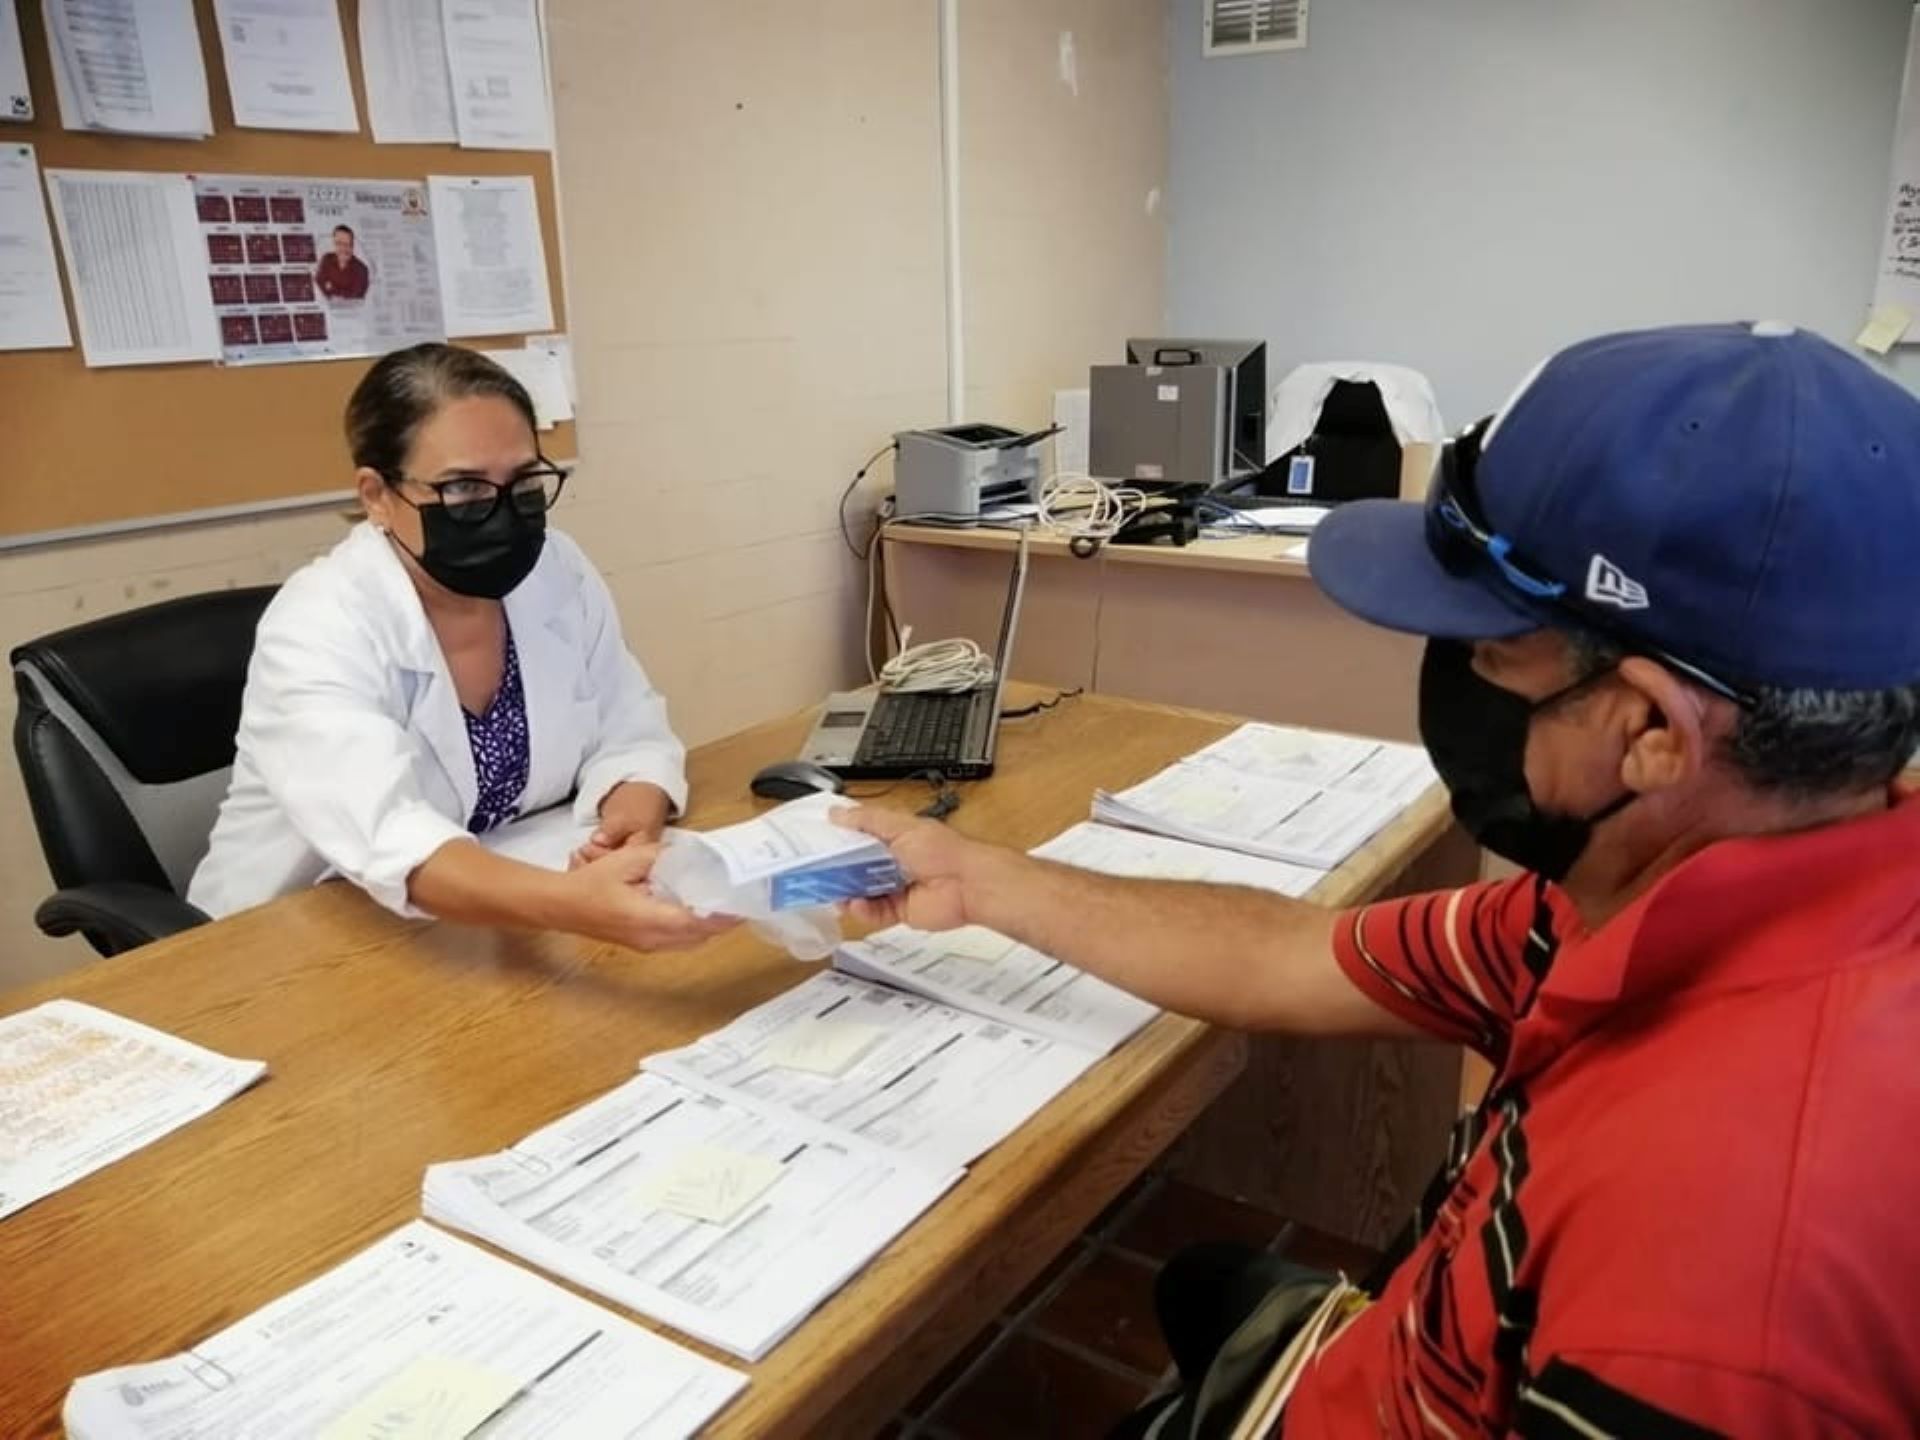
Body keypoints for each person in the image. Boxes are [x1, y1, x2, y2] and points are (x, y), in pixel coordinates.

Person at [840, 323, 1920, 1434]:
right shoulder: (1660, 896)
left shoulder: (1725, 1295)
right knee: (1202, 1284)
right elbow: (1297, 954)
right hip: (1400, 1345)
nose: (1454, 687)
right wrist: (981, 880)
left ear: (1649, 730)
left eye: (1493, 655)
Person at [190, 344, 732, 955]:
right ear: (376, 494)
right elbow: (390, 837)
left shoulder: (556, 571)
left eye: (523, 481)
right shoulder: (319, 624)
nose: (501, 513)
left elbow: (629, 723)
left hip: (476, 928)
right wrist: (574, 907)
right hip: (292, 943)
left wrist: (630, 814)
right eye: (463, 489)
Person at [315, 224, 370, 301]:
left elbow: (354, 298)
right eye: (339, 243)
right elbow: (318, 285)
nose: (343, 248)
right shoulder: (326, 259)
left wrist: (331, 288)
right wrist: (343, 292)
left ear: (352, 245)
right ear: (334, 244)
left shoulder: (362, 269)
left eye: (347, 244)